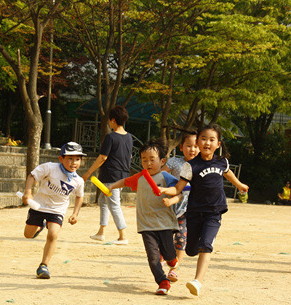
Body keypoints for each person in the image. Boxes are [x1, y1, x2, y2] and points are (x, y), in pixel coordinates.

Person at [159, 124, 249, 296]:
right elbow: (178, 188)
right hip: (194, 212)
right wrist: (164, 190)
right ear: (198, 142)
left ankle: (197, 282)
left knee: (206, 245)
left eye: (212, 139)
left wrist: (239, 185)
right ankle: (185, 254)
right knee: (191, 250)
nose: (207, 142)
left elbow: (228, 173)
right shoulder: (190, 165)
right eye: (204, 139)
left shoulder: (222, 161)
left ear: (218, 144)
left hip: (214, 212)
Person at [109, 140, 180, 295]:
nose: (148, 163)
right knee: (153, 257)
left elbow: (179, 191)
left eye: (152, 159)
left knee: (168, 253)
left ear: (162, 161)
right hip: (146, 224)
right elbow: (125, 182)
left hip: (165, 223)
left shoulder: (165, 176)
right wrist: (112, 186)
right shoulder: (140, 177)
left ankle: (172, 260)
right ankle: (163, 281)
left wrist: (170, 198)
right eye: (144, 160)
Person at [21, 142, 86, 279]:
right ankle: (40, 226)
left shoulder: (79, 181)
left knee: (53, 235)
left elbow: (79, 196)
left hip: (57, 210)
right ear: (61, 158)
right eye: (70, 158)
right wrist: (28, 192)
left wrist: (75, 214)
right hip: (38, 206)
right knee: (28, 235)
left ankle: (43, 265)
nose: (74, 162)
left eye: (77, 159)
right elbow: (32, 176)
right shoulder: (50, 168)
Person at [82, 106, 133, 245]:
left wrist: (88, 172)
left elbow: (103, 157)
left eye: (110, 121)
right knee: (103, 201)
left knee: (114, 205)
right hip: (122, 175)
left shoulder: (111, 137)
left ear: (113, 120)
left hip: (111, 176)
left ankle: (123, 236)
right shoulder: (129, 137)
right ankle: (101, 232)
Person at [162, 130, 199, 281]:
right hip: (169, 206)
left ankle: (174, 269)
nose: (192, 149)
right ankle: (162, 257)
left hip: (188, 209)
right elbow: (161, 175)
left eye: (196, 146)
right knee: (164, 237)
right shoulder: (174, 162)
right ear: (181, 147)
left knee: (181, 238)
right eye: (189, 146)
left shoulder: (201, 165)